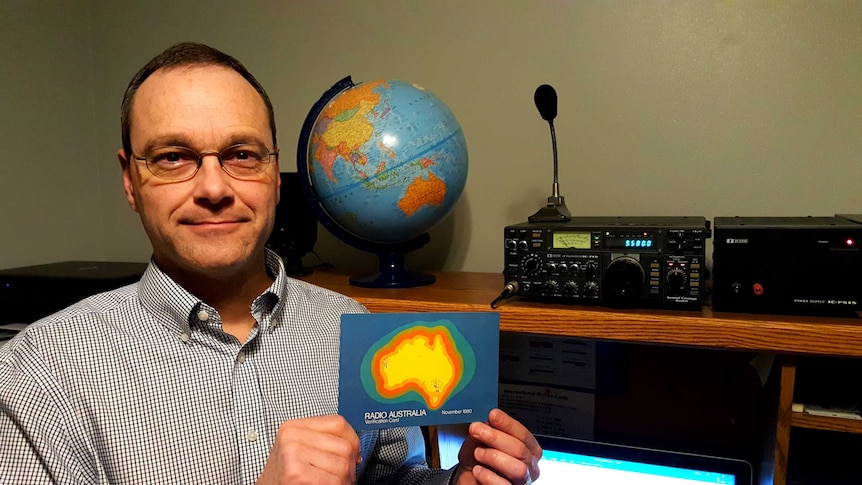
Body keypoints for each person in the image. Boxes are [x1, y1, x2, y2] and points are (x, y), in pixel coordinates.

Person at [0, 42, 542, 484]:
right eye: (172, 157)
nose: (214, 188)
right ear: (130, 179)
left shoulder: (348, 325)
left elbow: (385, 479)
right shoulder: (38, 376)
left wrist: (457, 481)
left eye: (241, 154)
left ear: (274, 171)